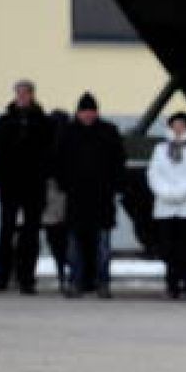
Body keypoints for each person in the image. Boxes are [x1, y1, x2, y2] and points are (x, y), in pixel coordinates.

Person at [0, 78, 53, 294]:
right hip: (9, 185)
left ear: (32, 95)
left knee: (31, 234)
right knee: (6, 231)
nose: (22, 97)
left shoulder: (43, 122)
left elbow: (51, 151)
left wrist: (42, 173)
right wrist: (0, 172)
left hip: (34, 186)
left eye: (26, 93)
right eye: (19, 93)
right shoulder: (4, 121)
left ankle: (27, 279)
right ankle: (2, 277)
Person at [54, 93, 125, 299]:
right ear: (78, 112)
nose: (87, 115)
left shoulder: (109, 132)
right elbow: (58, 162)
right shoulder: (68, 133)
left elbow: (118, 162)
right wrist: (65, 185)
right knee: (75, 245)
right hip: (76, 198)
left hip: (102, 198)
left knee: (102, 245)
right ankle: (76, 282)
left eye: (91, 111)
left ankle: (103, 283)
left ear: (96, 112)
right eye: (84, 111)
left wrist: (113, 186)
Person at [147, 112, 186, 299]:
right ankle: (172, 285)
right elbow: (153, 174)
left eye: (182, 125)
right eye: (175, 124)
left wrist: (179, 194)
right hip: (165, 206)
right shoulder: (160, 149)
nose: (178, 128)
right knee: (168, 248)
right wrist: (167, 193)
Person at [42, 110, 71, 294]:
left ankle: (62, 272)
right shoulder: (69, 139)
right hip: (64, 190)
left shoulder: (44, 141)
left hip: (51, 189)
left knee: (55, 237)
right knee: (64, 236)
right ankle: (67, 273)